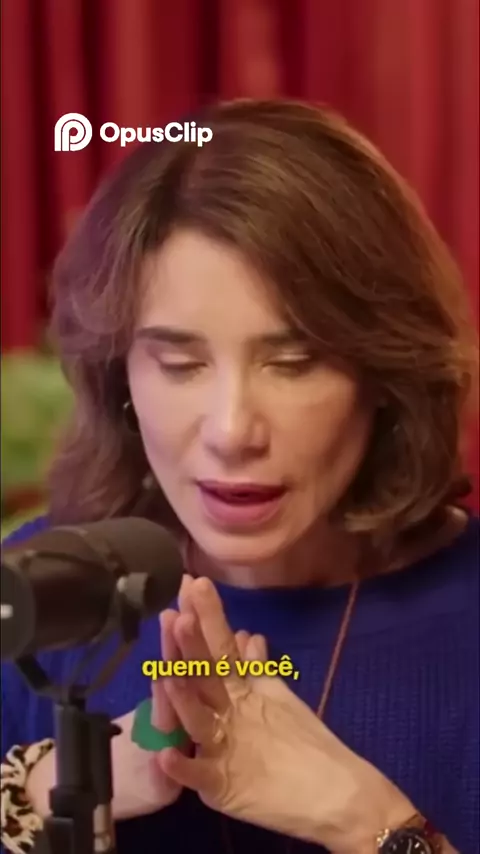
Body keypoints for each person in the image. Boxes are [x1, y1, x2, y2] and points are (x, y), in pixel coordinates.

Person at [1, 99, 478, 854]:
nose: (232, 431)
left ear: (385, 373)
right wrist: (48, 792)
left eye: (294, 363)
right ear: (119, 375)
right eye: (179, 363)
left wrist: (370, 822)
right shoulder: (39, 592)